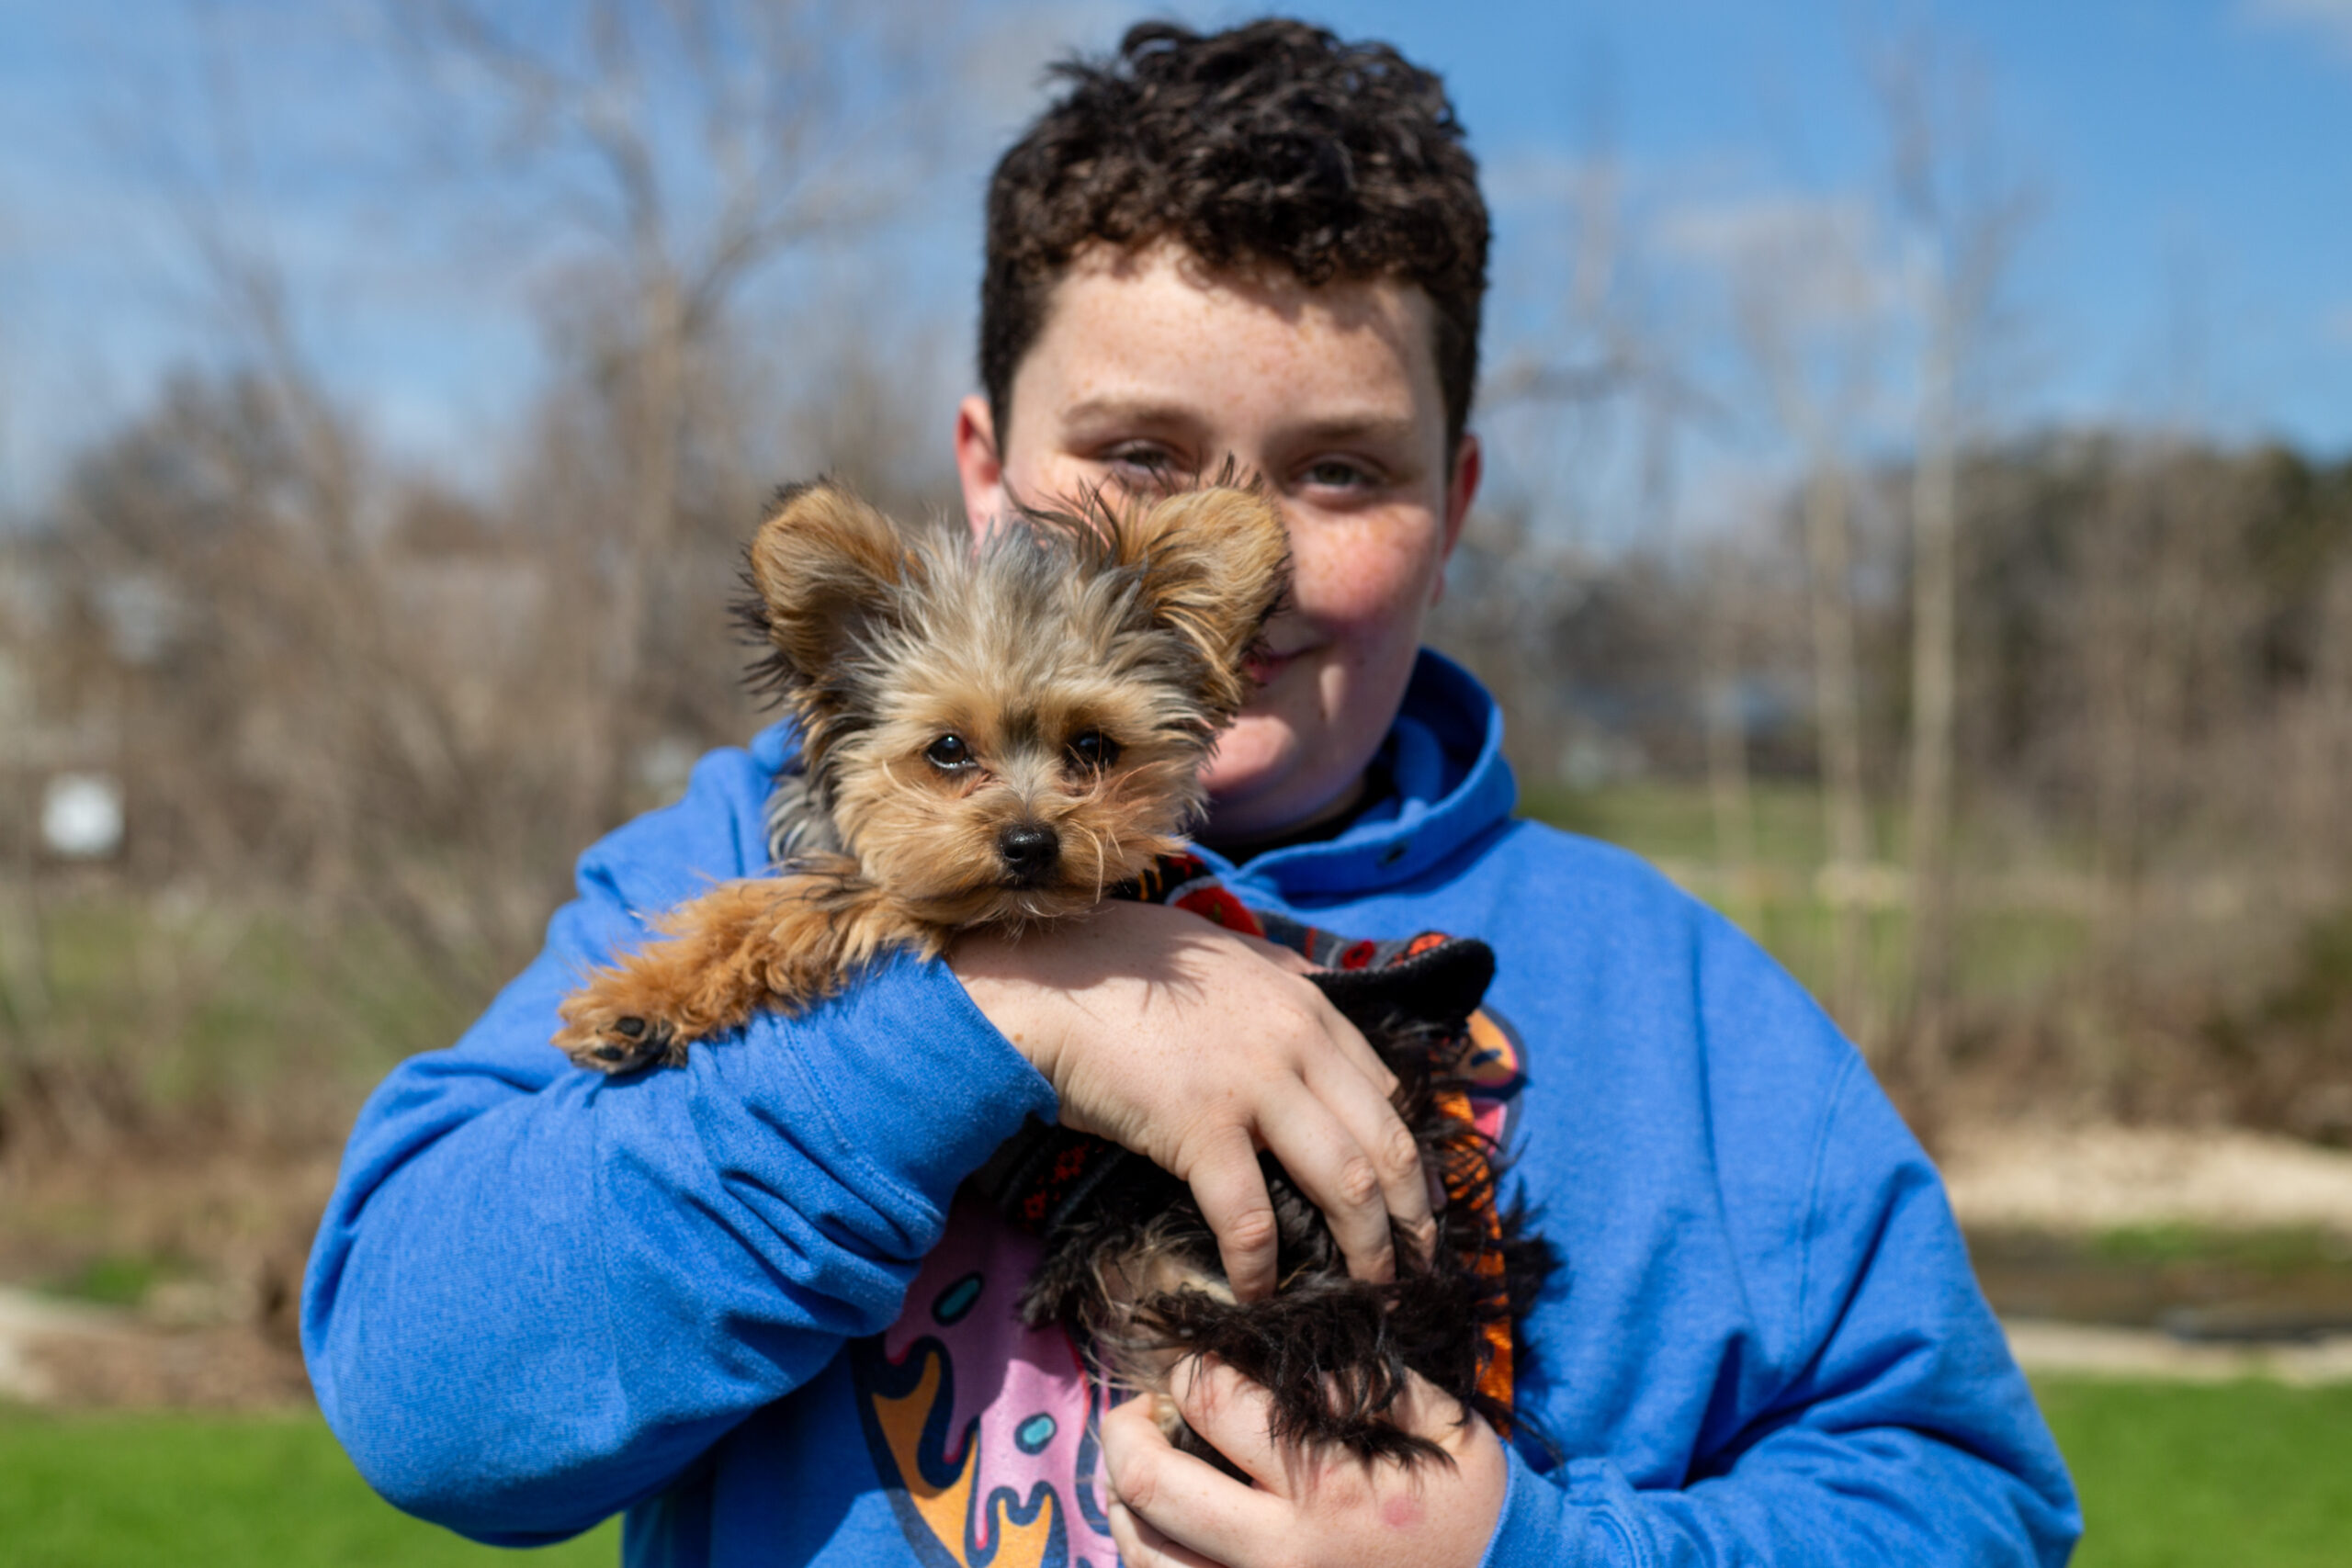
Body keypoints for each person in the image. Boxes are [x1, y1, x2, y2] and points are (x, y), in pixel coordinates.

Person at [303, 19, 2080, 1567]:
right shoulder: (712, 866)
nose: (1246, 558)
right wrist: (985, 1013)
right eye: (1135, 452)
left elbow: (1969, 1507)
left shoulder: (1678, 1005)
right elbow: (425, 1399)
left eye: (1343, 470)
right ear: (986, 470)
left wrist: (1517, 1554)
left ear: (1455, 508)